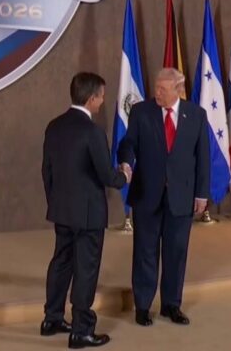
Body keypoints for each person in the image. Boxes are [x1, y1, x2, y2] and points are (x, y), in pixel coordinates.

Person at [42, 72, 131, 349]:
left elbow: (47, 172)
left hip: (62, 210)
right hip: (89, 215)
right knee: (86, 270)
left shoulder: (54, 126)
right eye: (102, 97)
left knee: (61, 263)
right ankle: (81, 331)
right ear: (91, 98)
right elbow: (106, 175)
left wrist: (55, 201)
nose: (103, 102)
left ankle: (52, 319)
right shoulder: (92, 132)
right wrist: (124, 175)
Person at [118, 68, 210, 327]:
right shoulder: (141, 112)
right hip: (147, 193)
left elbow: (202, 157)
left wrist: (202, 193)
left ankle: (171, 305)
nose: (156, 92)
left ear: (178, 90)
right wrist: (125, 162)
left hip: (181, 197)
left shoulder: (196, 115)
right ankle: (143, 306)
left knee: (176, 252)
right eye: (156, 87)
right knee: (145, 251)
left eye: (162, 89)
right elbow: (128, 143)